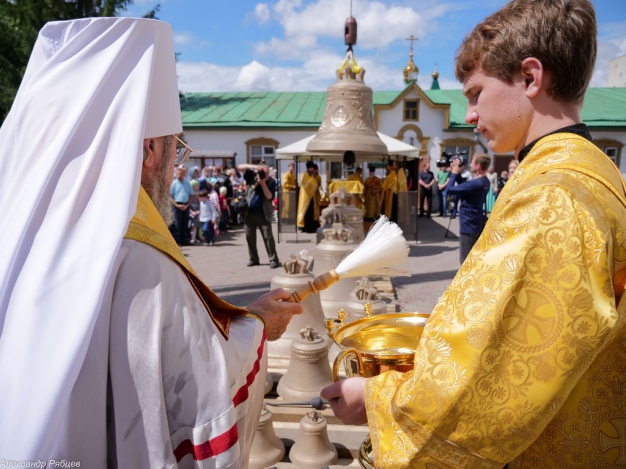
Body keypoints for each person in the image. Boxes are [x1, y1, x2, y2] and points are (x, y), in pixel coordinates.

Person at [321, 1, 626, 467]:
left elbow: (492, 383)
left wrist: (376, 399)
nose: (468, 114)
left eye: (477, 93)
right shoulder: (590, 170)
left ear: (530, 78)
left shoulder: (551, 197)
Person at [0, 18, 302, 466]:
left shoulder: (19, 229)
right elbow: (204, 404)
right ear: (147, 151)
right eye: (176, 148)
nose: (175, 164)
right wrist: (258, 324)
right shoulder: (140, 261)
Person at [447, 153, 491, 263]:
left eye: (472, 162)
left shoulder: (474, 184)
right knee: (473, 260)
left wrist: (453, 174)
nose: (469, 164)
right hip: (476, 223)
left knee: (465, 262)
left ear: (478, 166)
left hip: (468, 227)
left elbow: (450, 189)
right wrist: (457, 174)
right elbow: (465, 188)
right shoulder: (485, 181)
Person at [238, 163, 281, 269]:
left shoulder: (271, 181)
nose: (264, 175)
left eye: (266, 173)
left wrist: (262, 183)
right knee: (249, 237)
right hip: (249, 213)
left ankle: (273, 259)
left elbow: (269, 196)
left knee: (268, 237)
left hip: (263, 214)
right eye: (262, 173)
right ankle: (253, 259)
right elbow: (239, 167)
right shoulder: (252, 176)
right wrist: (254, 167)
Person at [170, 164, 193, 245]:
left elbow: (191, 195)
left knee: (185, 223)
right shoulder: (173, 183)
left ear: (184, 174)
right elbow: (170, 196)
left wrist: (187, 205)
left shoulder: (187, 183)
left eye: (181, 174)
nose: (179, 175)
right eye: (177, 174)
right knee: (177, 224)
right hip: (177, 205)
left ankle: (184, 240)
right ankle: (177, 241)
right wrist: (176, 205)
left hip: (185, 205)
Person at [297, 161, 320, 233]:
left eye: (313, 168)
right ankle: (307, 228)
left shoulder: (313, 175)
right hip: (306, 196)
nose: (312, 170)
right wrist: (315, 182)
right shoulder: (305, 175)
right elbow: (306, 184)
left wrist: (315, 178)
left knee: (312, 212)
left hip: (312, 197)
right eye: (311, 168)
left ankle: (312, 227)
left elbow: (317, 183)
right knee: (307, 212)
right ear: (308, 168)